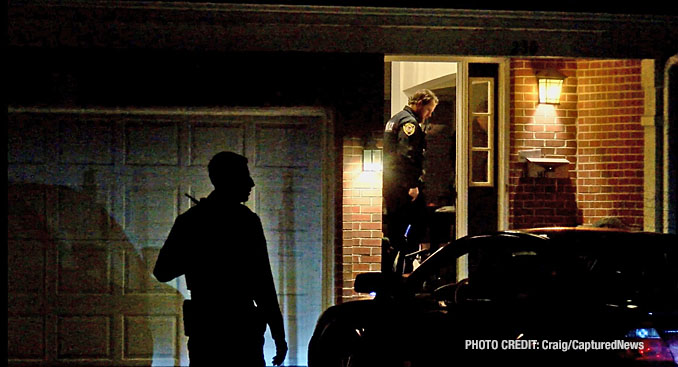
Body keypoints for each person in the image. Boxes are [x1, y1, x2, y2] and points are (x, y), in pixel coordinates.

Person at [153, 151, 287, 367]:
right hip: (233, 330)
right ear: (229, 179)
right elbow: (263, 285)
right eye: (244, 176)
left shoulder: (193, 221)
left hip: (213, 330)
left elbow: (263, 284)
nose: (251, 183)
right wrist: (278, 336)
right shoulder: (245, 222)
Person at [383, 89, 438, 273]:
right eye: (429, 110)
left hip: (392, 184)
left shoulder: (395, 119)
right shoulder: (409, 123)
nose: (429, 115)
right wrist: (412, 185)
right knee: (418, 222)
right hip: (402, 186)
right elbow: (406, 156)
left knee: (396, 227)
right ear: (420, 104)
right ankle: (406, 266)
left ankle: (397, 266)